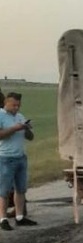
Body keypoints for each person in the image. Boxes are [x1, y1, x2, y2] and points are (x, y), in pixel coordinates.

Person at [0, 92, 37, 231]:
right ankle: (3, 219)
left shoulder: (20, 116)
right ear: (6, 103)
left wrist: (26, 128)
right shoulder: (0, 115)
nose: (16, 108)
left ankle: (20, 217)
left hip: (21, 157)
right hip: (5, 158)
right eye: (13, 105)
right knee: (4, 190)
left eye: (18, 105)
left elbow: (30, 137)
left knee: (21, 189)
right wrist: (14, 128)